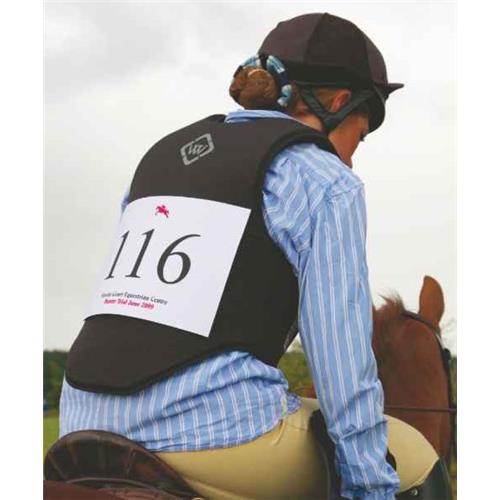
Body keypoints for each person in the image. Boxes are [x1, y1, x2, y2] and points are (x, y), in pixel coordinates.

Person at [59, 13, 444, 499]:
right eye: (359, 137)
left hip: (80, 422)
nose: (351, 157)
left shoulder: (160, 157)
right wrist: (370, 486)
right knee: (417, 456)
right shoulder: (326, 180)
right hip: (212, 435)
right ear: (339, 104)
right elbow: (343, 370)